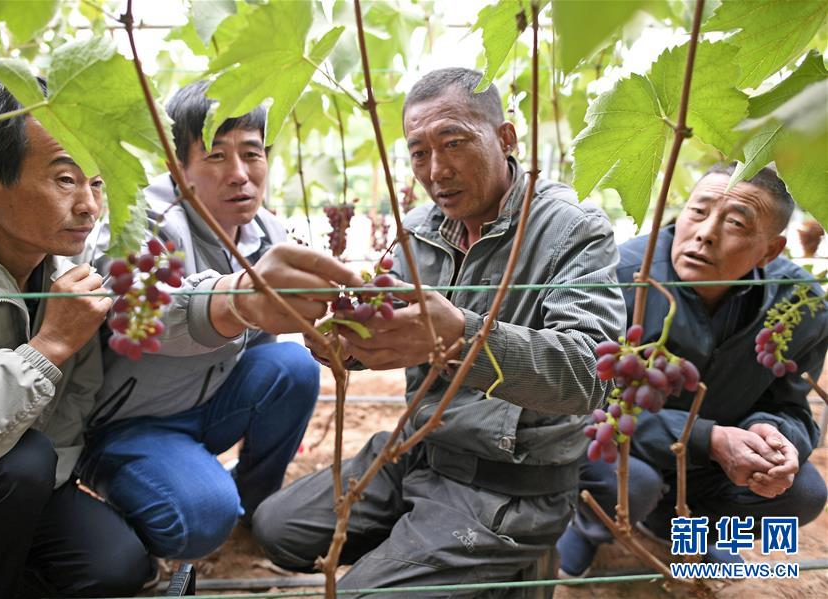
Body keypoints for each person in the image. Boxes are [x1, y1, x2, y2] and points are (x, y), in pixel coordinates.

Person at [252, 68, 626, 594]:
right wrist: (345, 345)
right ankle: (434, 551)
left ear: (506, 137)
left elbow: (592, 375)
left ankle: (501, 561)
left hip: (511, 483)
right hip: (420, 449)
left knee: (362, 592)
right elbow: (389, 327)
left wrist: (463, 337)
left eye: (454, 143)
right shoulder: (420, 232)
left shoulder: (573, 229)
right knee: (279, 528)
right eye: (419, 153)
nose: (437, 170)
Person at [76, 81, 358, 560]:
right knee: (201, 519)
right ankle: (142, 499)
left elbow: (265, 344)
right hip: (130, 422)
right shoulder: (141, 223)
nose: (239, 175)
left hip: (209, 405)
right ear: (177, 166)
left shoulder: (266, 231)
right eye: (215, 156)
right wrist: (237, 302)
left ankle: (253, 508)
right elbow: (144, 317)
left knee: (292, 367)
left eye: (251, 154)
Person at [0, 81, 154, 598]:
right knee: (22, 464)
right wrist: (47, 347)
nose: (90, 206)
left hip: (23, 487)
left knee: (115, 568)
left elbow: (163, 300)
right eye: (66, 180)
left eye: (96, 184)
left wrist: (237, 298)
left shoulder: (69, 265)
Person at [556, 163, 828, 577]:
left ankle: (684, 529)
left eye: (735, 222)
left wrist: (775, 439)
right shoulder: (619, 277)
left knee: (803, 492)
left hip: (712, 469)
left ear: (770, 251)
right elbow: (575, 404)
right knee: (631, 482)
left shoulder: (800, 307)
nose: (705, 233)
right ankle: (589, 526)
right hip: (626, 456)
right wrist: (708, 438)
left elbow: (793, 408)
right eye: (698, 212)